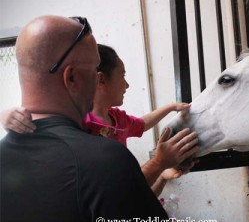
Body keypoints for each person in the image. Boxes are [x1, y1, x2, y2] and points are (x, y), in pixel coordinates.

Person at [0, 15, 199, 222]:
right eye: (94, 70)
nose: (97, 79)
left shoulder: (10, 154)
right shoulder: (104, 159)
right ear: (72, 78)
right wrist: (159, 163)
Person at [1, 44, 197, 196]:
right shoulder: (76, 122)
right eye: (123, 75)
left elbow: (143, 123)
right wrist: (7, 117)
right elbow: (34, 125)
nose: (127, 84)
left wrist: (171, 107)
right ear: (101, 79)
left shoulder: (117, 119)